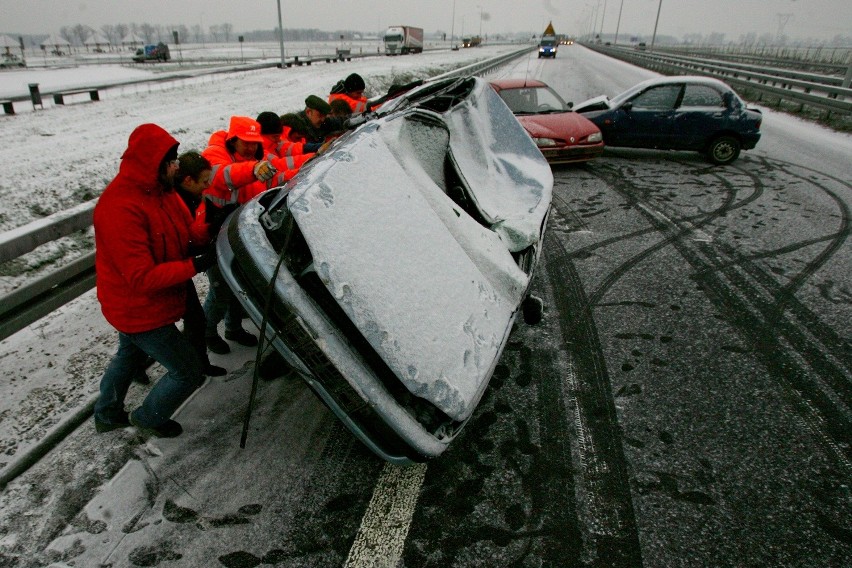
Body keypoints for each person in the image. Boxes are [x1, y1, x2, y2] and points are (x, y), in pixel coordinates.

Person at [93, 123, 215, 438]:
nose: (177, 165)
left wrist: (211, 231)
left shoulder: (163, 192)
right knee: (188, 371)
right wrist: (195, 264)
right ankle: (148, 418)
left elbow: (184, 233)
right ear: (152, 163)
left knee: (128, 355)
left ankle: (106, 414)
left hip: (151, 300)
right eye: (171, 160)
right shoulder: (120, 207)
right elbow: (140, 276)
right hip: (137, 308)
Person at [201, 116, 275, 354]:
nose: (252, 147)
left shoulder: (251, 161)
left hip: (233, 233)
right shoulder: (215, 154)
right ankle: (207, 332)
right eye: (246, 142)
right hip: (211, 237)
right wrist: (253, 169)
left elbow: (270, 177)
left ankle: (232, 328)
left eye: (255, 142)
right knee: (220, 290)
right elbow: (225, 176)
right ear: (233, 140)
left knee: (236, 282)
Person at [174, 151, 229, 377]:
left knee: (194, 320)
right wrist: (202, 251)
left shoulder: (194, 198)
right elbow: (182, 241)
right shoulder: (176, 202)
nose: (207, 186)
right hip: (171, 271)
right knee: (149, 331)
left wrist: (216, 221)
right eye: (204, 181)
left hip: (179, 269)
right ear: (188, 180)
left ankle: (200, 365)